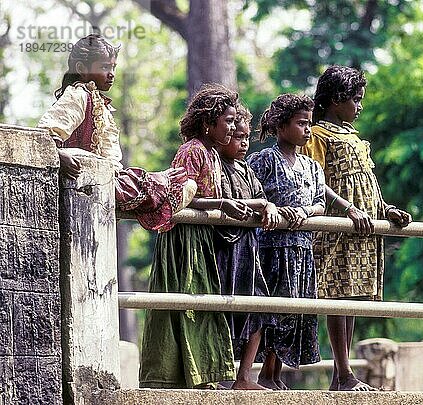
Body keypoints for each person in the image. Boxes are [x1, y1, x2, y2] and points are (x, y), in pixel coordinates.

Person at [300, 65, 412, 391]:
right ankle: (344, 371)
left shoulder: (355, 138)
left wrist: (386, 208)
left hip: (364, 226)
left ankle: (341, 376)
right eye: (356, 100)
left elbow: (368, 182)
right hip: (337, 225)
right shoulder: (317, 136)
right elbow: (314, 180)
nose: (360, 107)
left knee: (352, 296)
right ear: (336, 99)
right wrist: (347, 208)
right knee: (336, 294)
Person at [139, 84, 254, 389]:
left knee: (203, 307)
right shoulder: (193, 150)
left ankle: (204, 375)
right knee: (185, 306)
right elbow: (182, 194)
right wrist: (220, 203)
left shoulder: (213, 154)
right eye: (228, 121)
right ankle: (172, 378)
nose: (233, 127)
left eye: (234, 121)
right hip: (183, 241)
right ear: (208, 122)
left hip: (201, 240)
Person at [38, 33, 196, 231]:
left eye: (113, 67)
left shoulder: (99, 103)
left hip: (103, 180)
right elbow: (44, 136)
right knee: (145, 183)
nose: (111, 73)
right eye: (104, 67)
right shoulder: (78, 95)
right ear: (81, 69)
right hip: (82, 181)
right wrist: (60, 157)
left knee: (135, 182)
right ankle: (162, 195)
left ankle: (159, 196)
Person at [247, 94, 325, 390]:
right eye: (301, 123)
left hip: (302, 250)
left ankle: (275, 373)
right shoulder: (263, 159)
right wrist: (274, 209)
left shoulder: (312, 167)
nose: (307, 129)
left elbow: (319, 203)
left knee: (293, 312)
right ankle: (264, 372)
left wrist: (303, 212)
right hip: (270, 248)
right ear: (281, 126)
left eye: (309, 123)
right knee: (272, 312)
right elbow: (251, 193)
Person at [214, 104, 279, 390]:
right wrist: (260, 205)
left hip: (248, 249)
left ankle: (244, 377)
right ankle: (219, 375)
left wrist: (269, 207)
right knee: (223, 309)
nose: (243, 143)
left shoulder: (245, 169)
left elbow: (261, 198)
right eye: (236, 137)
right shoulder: (216, 165)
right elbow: (226, 201)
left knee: (258, 307)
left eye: (245, 138)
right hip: (224, 249)